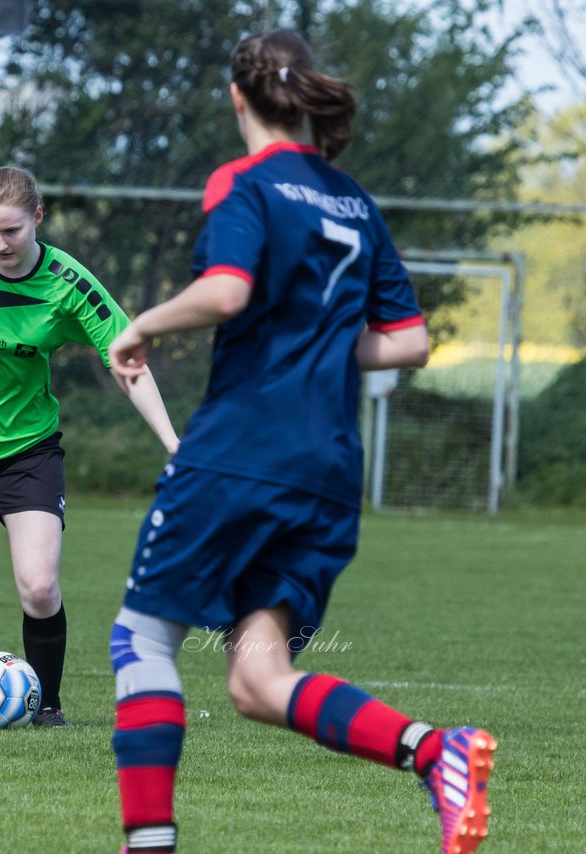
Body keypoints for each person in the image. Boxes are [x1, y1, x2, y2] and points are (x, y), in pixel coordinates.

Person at [105, 31, 494, 853]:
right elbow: (410, 341)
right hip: (327, 470)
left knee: (142, 638)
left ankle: (147, 843)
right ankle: (436, 750)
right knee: (256, 678)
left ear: (239, 100)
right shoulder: (354, 200)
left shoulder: (245, 181)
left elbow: (227, 289)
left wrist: (140, 325)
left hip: (242, 449)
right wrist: (318, 341)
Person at [0, 165, 180, 728]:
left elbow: (130, 362)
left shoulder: (70, 283)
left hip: (29, 448)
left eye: (11, 232)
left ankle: (47, 706)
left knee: (41, 585)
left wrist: (172, 442)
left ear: (38, 219)